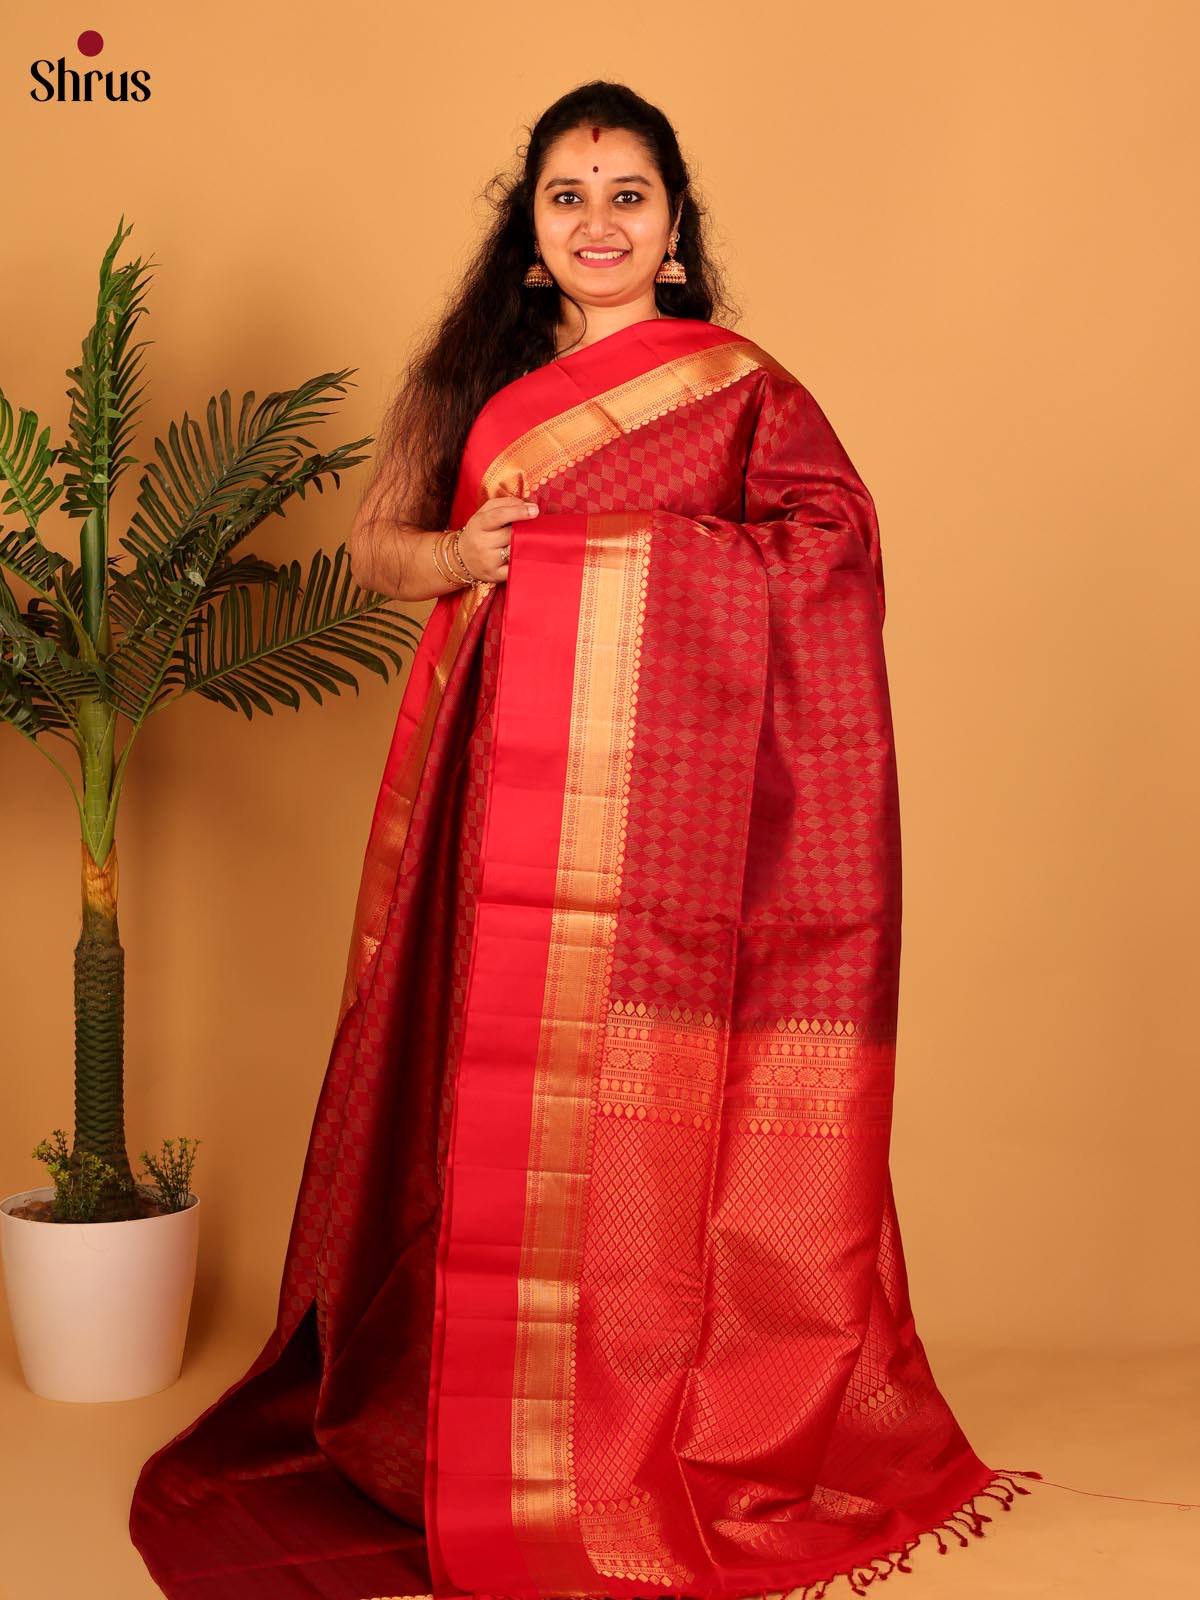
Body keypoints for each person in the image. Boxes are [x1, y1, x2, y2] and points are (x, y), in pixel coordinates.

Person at [129, 79, 1039, 1600]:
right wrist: (466, 553)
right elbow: (380, 551)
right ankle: (461, 1432)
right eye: (568, 195)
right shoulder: (476, 388)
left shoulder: (742, 390)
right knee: (490, 1103)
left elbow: (834, 551)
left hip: (671, 841)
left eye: (629, 193)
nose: (600, 219)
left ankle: (632, 1421)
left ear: (675, 234)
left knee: (641, 1118)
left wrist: (623, 562)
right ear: (531, 237)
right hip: (503, 802)